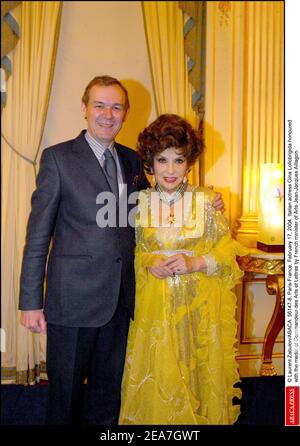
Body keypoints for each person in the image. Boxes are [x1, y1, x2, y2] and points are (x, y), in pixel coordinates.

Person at [19, 76, 224, 425]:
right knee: (64, 398)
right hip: (72, 302)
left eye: (116, 107)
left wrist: (206, 199)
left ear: (125, 114)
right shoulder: (57, 159)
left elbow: (163, 198)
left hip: (122, 302)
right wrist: (30, 302)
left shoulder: (132, 162)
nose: (107, 114)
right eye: (99, 105)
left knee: (109, 396)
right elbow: (38, 234)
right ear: (85, 108)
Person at [119, 114, 248, 425]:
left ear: (189, 162)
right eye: (162, 160)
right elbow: (134, 253)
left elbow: (229, 254)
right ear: (150, 161)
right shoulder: (140, 203)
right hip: (156, 311)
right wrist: (150, 265)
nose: (170, 169)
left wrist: (197, 262)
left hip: (198, 308)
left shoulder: (207, 201)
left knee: (196, 370)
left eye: (178, 160)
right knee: (161, 373)